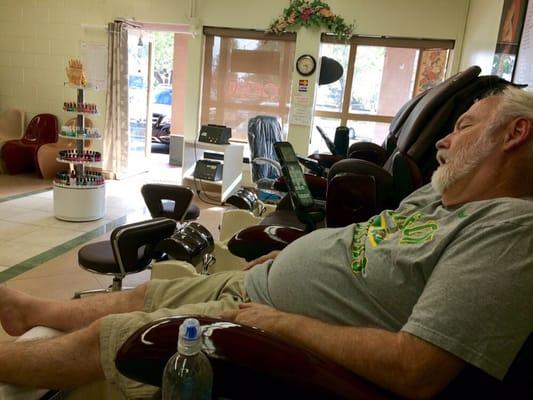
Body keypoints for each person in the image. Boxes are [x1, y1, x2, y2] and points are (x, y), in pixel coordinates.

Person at [0, 86, 532, 399]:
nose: (444, 139)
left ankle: (11, 362)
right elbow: (371, 246)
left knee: (120, 331)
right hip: (267, 286)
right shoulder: (442, 200)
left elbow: (416, 369)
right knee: (145, 295)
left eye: (463, 126)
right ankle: (30, 312)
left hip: (280, 323)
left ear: (515, 134)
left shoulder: (509, 232)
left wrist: (281, 322)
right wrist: (297, 253)